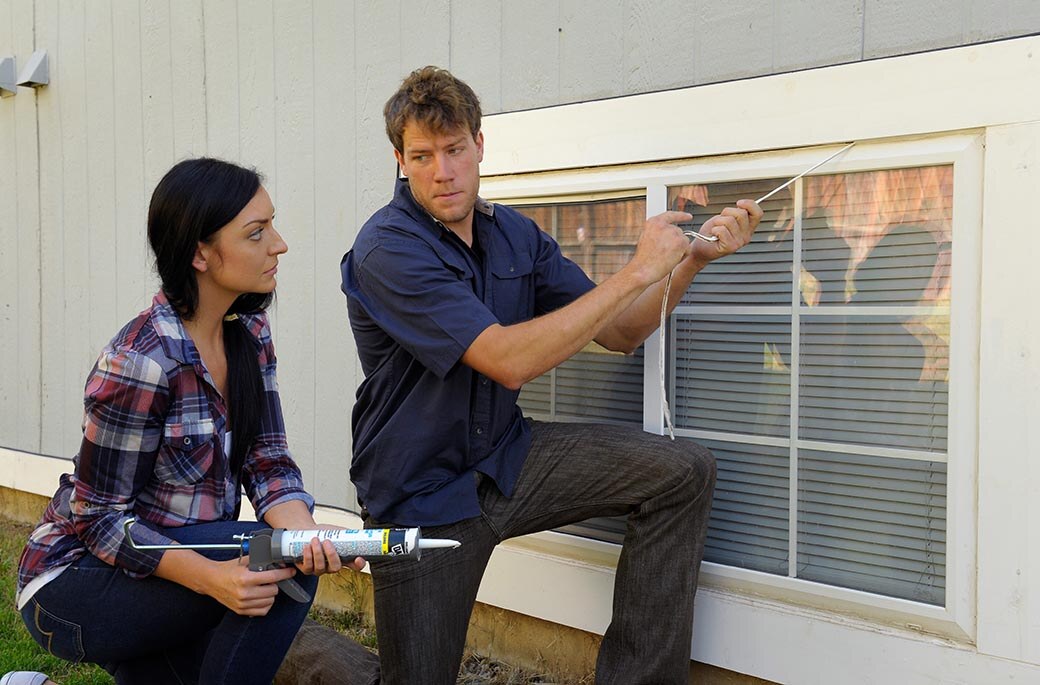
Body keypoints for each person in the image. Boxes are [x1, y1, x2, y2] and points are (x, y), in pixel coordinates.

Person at [340, 66, 763, 684]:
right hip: (421, 496)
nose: (442, 171)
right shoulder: (387, 249)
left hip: (508, 460)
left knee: (681, 472)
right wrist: (639, 270)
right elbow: (508, 358)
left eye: (455, 150)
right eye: (422, 155)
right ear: (400, 160)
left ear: (479, 145)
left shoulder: (513, 235)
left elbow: (620, 332)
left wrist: (693, 258)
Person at [9, 157, 366, 685]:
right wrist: (214, 580)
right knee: (273, 559)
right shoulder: (140, 362)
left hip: (167, 573)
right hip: (74, 585)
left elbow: (267, 462)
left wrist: (307, 536)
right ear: (200, 253)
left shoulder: (250, 334)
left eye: (272, 224)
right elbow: (98, 519)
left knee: (287, 552)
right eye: (256, 233)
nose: (279, 244)